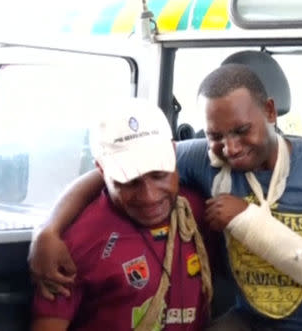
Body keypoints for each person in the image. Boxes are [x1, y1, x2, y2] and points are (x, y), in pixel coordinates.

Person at [29, 64, 302, 330]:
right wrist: (49, 230)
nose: (231, 148)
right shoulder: (203, 158)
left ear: (270, 112)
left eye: (242, 130)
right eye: (216, 135)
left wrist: (246, 220)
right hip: (252, 321)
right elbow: (116, 172)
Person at [30, 98, 212, 331]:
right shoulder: (77, 243)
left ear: (175, 154)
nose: (150, 196)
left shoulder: (201, 212)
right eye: (130, 182)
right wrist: (46, 232)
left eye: (159, 175)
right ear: (101, 170)